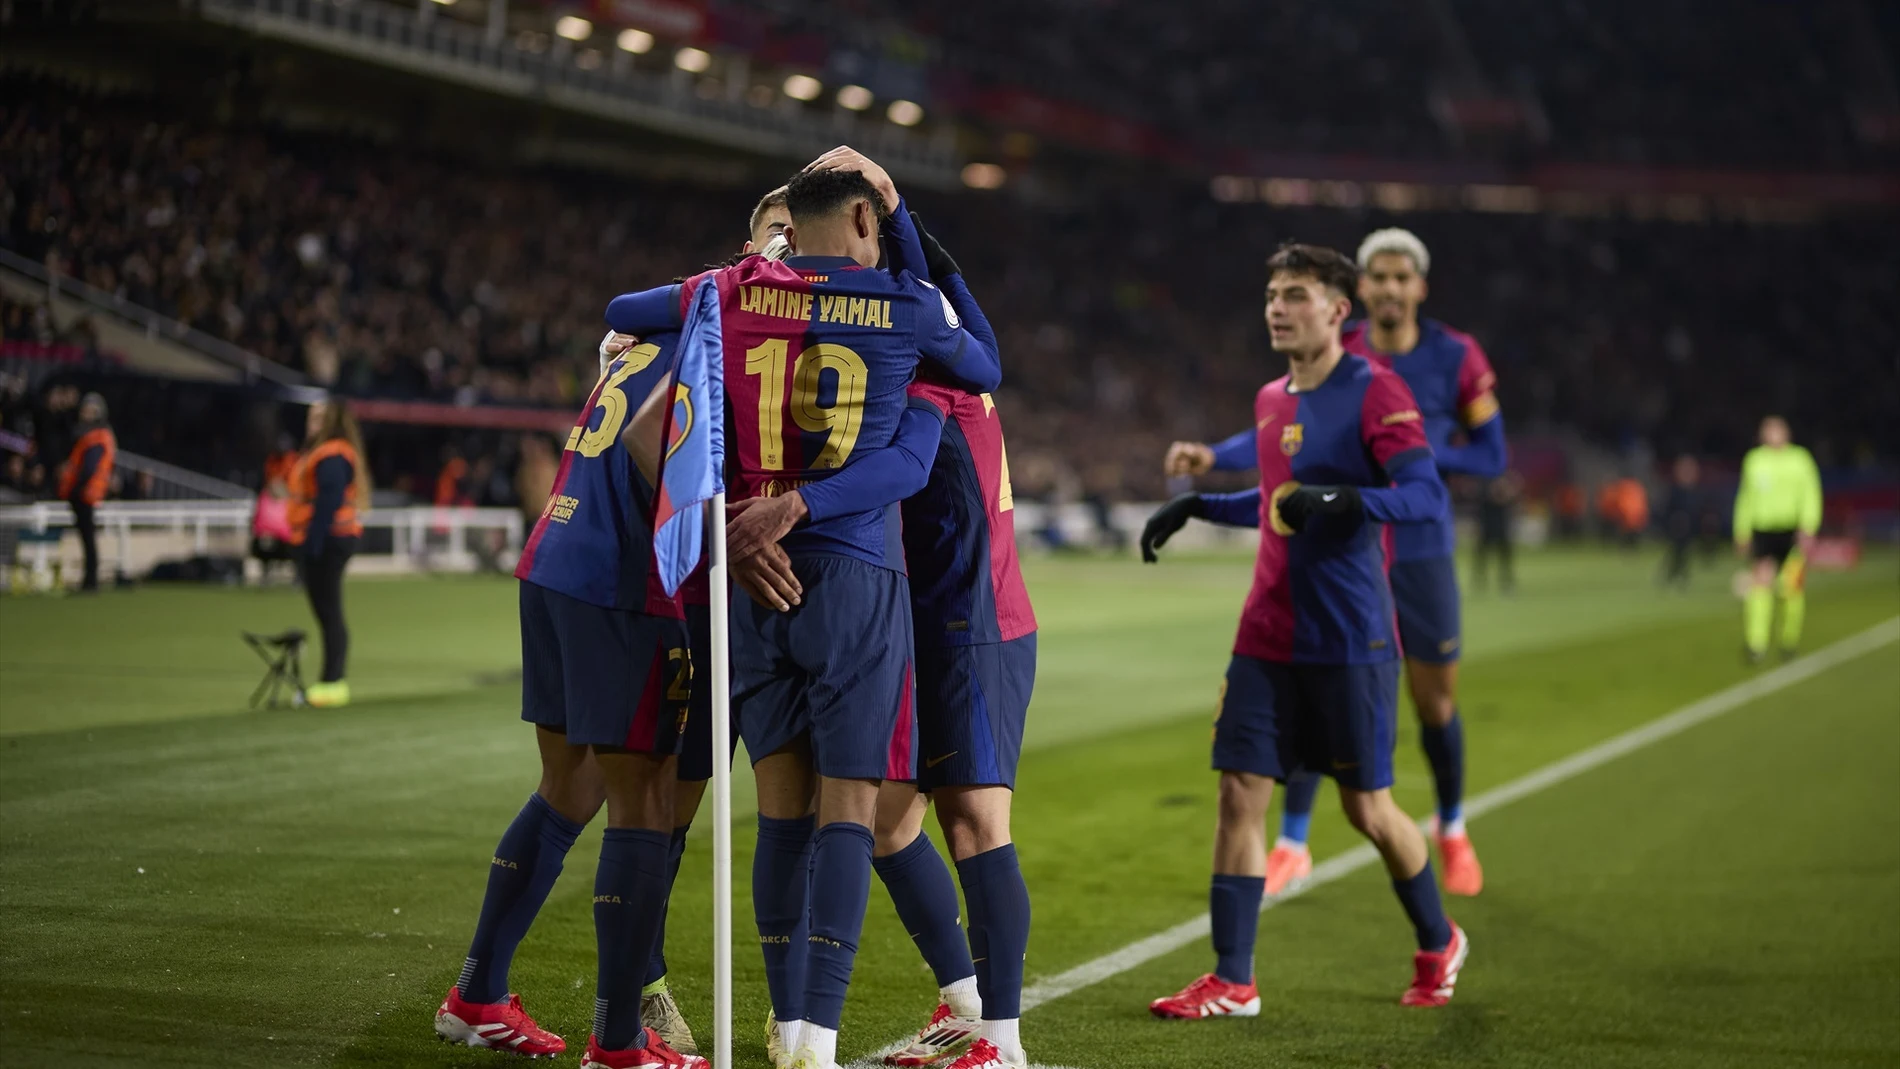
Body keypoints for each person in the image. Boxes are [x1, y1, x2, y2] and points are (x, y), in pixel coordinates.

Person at [605, 159, 1002, 1069]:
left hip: (748, 579)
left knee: (779, 812)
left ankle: (786, 1024)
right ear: (867, 217)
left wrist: (735, 282)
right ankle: (814, 1040)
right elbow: (983, 361)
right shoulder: (904, 301)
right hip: (853, 575)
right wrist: (907, 228)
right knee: (853, 816)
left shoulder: (731, 292)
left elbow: (626, 311)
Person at [720, 153, 1036, 1069]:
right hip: (888, 598)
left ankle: (998, 1039)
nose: (785, 250)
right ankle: (967, 999)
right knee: (891, 818)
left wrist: (901, 216)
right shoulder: (788, 329)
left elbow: (966, 350)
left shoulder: (909, 341)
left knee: (972, 815)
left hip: (967, 607)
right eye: (767, 236)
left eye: (794, 231)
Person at [1141, 243, 1467, 1018]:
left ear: (1337, 310)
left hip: (1350, 639)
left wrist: (1352, 502)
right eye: (1271, 295)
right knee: (1239, 793)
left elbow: (1424, 496)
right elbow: (1277, 501)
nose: (1277, 308)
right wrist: (1199, 506)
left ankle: (1438, 938)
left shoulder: (1375, 392)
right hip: (1265, 636)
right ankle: (1234, 977)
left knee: (1369, 811)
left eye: (1295, 294)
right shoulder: (1268, 398)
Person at [433, 307, 708, 1068]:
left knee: (569, 785)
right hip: (620, 580)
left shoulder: (649, 336)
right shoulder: (722, 340)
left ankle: (477, 993)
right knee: (645, 800)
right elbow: (651, 437)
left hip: (552, 555)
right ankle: (619, 1038)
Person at [286, 399, 367, 707]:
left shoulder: (331, 454)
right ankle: (331, 681)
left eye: (319, 417)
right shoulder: (326, 452)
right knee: (327, 612)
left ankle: (332, 683)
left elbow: (328, 501)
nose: (312, 422)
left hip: (329, 539)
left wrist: (313, 545)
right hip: (330, 538)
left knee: (329, 612)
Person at [1733, 416, 1822, 663]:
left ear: (1787, 433)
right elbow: (1745, 497)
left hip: (1791, 530)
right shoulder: (1754, 460)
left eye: (1777, 430)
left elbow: (1810, 492)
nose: (1772, 434)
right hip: (1763, 530)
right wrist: (1741, 530)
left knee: (1791, 588)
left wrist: (1809, 526)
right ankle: (1756, 643)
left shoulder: (1800, 459)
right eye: (1768, 430)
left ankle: (1788, 641)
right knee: (1760, 585)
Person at [56, 392, 115, 592]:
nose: (84, 413)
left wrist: (76, 488)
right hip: (87, 492)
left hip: (86, 493)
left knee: (88, 538)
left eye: (89, 410)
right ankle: (90, 580)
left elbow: (89, 468)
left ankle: (90, 581)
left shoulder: (96, 436)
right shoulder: (92, 434)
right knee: (87, 538)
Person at [1658, 455, 1702, 590]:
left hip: (1688, 527)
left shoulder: (1694, 491)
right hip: (1677, 527)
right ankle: (1670, 574)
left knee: (1684, 553)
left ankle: (1681, 575)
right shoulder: (1675, 490)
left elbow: (1697, 510)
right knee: (1675, 552)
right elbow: (1668, 509)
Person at [1472, 472, 1519, 595]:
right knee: (1482, 557)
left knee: (1504, 558)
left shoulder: (1505, 483)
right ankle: (1479, 582)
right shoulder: (1484, 484)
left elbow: (1509, 499)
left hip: (1502, 528)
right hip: (1487, 527)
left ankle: (1506, 582)